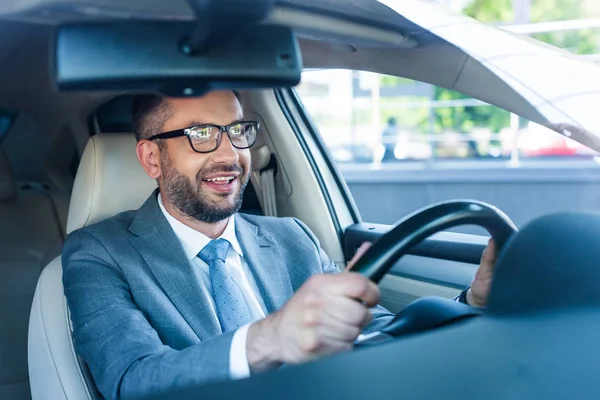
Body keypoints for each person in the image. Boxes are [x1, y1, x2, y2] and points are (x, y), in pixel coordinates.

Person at [62, 90, 497, 400]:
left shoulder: (291, 236)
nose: (230, 155)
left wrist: (471, 302)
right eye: (200, 135)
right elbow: (131, 382)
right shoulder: (99, 252)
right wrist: (269, 339)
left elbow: (377, 332)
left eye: (237, 130)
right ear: (152, 159)